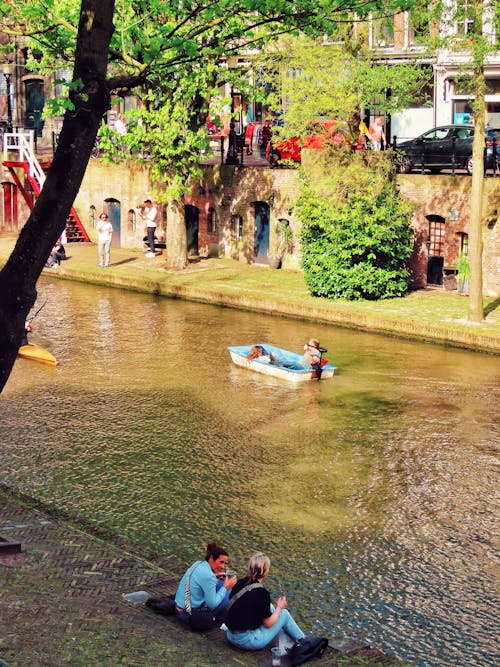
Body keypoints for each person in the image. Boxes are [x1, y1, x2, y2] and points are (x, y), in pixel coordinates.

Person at [225, 552, 305, 651]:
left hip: (230, 635)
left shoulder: (240, 583)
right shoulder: (262, 593)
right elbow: (268, 624)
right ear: (265, 571)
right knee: (284, 614)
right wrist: (280, 607)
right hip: (247, 641)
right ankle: (304, 642)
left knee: (270, 607)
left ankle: (299, 640)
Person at [174, 541, 237, 629]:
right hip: (187, 615)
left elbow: (201, 578)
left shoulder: (198, 563)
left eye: (225, 563)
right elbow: (212, 604)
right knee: (227, 592)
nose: (223, 566)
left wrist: (215, 576)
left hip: (178, 606)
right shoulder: (208, 576)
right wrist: (225, 588)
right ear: (211, 558)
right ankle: (218, 622)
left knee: (220, 583)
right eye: (221, 562)